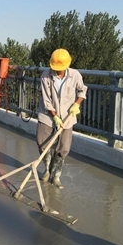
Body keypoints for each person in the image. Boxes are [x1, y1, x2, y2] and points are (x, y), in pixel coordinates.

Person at [37, 48, 87, 188]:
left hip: (67, 115)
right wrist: (55, 117)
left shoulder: (75, 75)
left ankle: (56, 175)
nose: (59, 71)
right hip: (48, 114)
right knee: (42, 141)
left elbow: (83, 90)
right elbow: (47, 100)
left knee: (64, 146)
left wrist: (77, 104)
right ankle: (46, 169)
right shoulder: (45, 76)